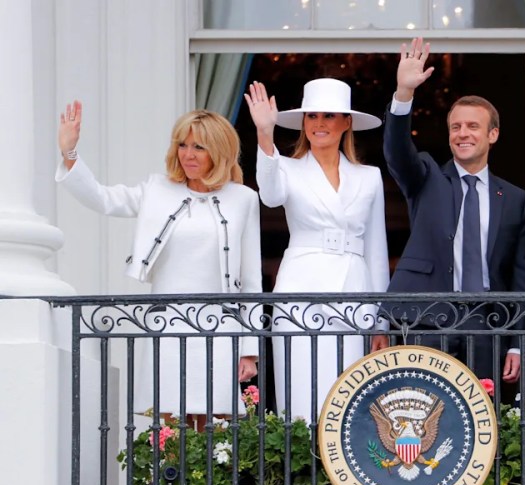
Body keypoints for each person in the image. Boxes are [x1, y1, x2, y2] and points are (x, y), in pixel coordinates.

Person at [56, 102, 262, 419]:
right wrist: (70, 154)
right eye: (183, 144)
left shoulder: (243, 199)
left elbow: (250, 280)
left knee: (217, 423)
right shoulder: (156, 189)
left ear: (220, 151)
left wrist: (250, 350)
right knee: (168, 420)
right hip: (168, 322)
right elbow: (102, 198)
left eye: (199, 147)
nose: (188, 154)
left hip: (221, 326)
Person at [375, 37, 525, 384]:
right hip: (430, 319)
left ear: (492, 134)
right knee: (424, 412)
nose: (463, 134)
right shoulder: (427, 177)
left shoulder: (515, 198)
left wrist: (518, 344)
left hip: (488, 324)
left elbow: (522, 276)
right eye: (456, 127)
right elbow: (397, 151)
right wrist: (403, 94)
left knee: (481, 421)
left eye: (473, 126)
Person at [245, 79, 389, 422]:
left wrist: (381, 320)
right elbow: (270, 195)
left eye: (329, 115)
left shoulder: (369, 177)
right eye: (312, 116)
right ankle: (299, 468)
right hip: (301, 289)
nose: (319, 123)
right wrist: (265, 135)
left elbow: (377, 251)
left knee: (350, 394)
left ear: (346, 123)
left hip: (354, 292)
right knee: (300, 388)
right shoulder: (287, 167)